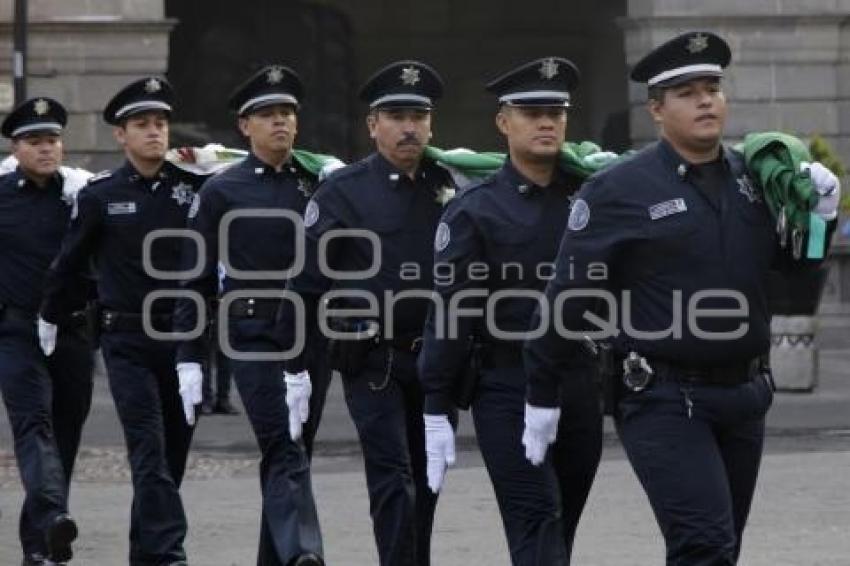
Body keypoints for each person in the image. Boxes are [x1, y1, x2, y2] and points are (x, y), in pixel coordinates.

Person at [521, 31, 840, 565]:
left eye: (712, 87)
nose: (705, 100)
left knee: (721, 548)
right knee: (705, 545)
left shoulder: (754, 179)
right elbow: (568, 296)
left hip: (745, 395)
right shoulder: (620, 189)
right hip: (663, 396)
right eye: (687, 92)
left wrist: (821, 219)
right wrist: (541, 392)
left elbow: (788, 279)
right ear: (657, 110)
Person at [417, 57, 603, 565]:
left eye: (557, 112)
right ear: (504, 122)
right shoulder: (475, 209)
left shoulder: (590, 196)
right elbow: (452, 310)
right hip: (507, 385)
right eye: (532, 112)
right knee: (536, 523)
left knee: (562, 526)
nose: (547, 123)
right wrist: (437, 403)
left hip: (580, 379)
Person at [278, 60, 455, 566]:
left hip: (436, 356)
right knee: (392, 474)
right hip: (371, 359)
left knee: (428, 477)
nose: (409, 127)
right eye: (396, 115)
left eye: (418, 116)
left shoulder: (449, 184)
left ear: (430, 124)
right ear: (373, 125)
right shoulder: (344, 191)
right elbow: (304, 285)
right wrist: (294, 370)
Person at [40, 77, 206, 566]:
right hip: (127, 338)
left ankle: (146, 553)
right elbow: (69, 262)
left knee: (172, 457)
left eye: (160, 123)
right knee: (148, 449)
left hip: (182, 338)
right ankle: (169, 553)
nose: (154, 133)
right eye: (142, 125)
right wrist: (51, 316)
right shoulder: (101, 195)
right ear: (121, 135)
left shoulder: (193, 188)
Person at [172, 64, 325, 566]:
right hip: (253, 335)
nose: (280, 122)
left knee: (294, 454)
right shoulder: (222, 190)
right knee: (282, 444)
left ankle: (276, 559)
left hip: (310, 336)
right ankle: (304, 552)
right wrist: (190, 355)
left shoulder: (318, 182)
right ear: (245, 126)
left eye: (287, 113)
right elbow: (193, 275)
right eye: (267, 115)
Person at [0, 97, 94, 565]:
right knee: (33, 425)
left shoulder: (79, 193)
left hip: (73, 331)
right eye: (34, 141)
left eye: (52, 140)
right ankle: (54, 515)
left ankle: (40, 545)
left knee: (65, 433)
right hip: (15, 330)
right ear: (15, 148)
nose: (46, 149)